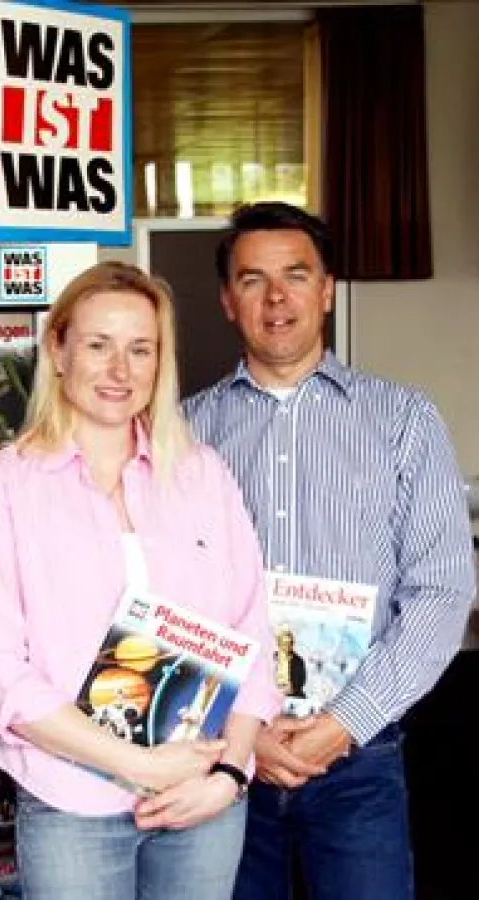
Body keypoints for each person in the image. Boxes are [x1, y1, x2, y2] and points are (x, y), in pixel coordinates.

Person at [0, 261, 281, 900]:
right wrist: (140, 765)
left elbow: (254, 633)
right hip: (72, 806)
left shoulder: (201, 474)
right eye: (98, 346)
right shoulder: (3, 487)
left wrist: (229, 775)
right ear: (57, 350)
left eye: (141, 350)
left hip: (203, 800)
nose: (120, 370)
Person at [184, 201, 475, 900]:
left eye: (295, 275)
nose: (276, 297)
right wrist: (245, 735)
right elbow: (163, 598)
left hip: (360, 762)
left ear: (327, 289)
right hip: (221, 760)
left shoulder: (403, 420)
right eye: (253, 280)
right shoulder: (184, 432)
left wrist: (344, 723)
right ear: (228, 300)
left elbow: (440, 593)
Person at [273, 627, 306, 700]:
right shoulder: (271, 659)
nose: (286, 646)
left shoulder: (299, 661)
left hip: (293, 696)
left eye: (289, 643)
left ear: (292, 644)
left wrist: (291, 689)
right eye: (283, 643)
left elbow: (301, 681)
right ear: (278, 644)